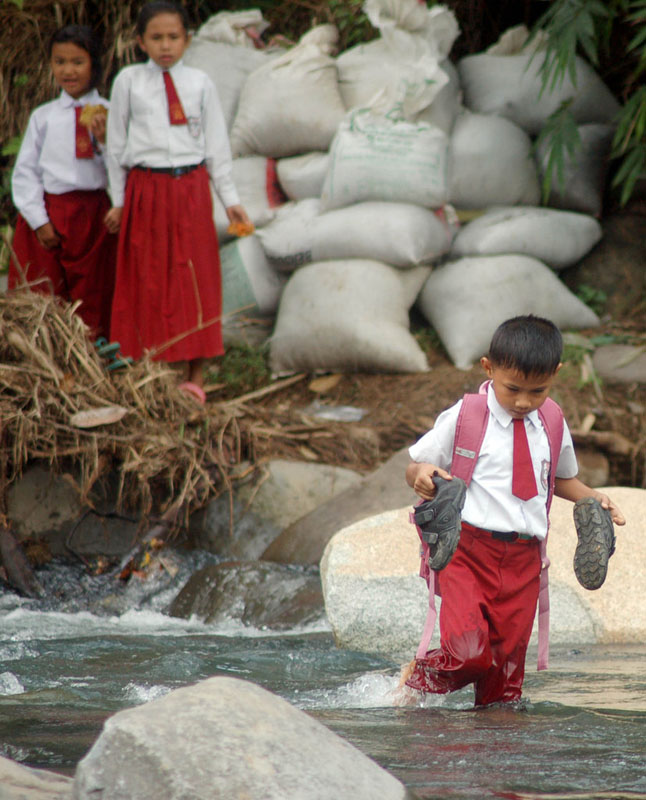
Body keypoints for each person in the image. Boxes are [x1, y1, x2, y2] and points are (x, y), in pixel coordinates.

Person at [404, 315, 625, 707]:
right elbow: (416, 465)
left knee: (503, 691)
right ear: (489, 368)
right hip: (466, 553)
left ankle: (497, 757)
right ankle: (413, 680)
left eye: (537, 391)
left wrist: (595, 498)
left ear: (555, 374)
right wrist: (422, 475)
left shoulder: (552, 421)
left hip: (524, 562)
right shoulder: (467, 416)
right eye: (513, 389)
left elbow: (560, 480)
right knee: (469, 656)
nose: (524, 401)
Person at [104, 0, 251, 404]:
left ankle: (195, 373)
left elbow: (216, 146)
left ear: (186, 40)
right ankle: (149, 369)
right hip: (145, 189)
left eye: (173, 37)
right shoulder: (128, 82)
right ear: (140, 41)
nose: (165, 45)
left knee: (193, 276)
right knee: (147, 276)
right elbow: (115, 146)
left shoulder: (200, 83)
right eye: (156, 37)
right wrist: (118, 200)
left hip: (190, 187)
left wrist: (231, 199)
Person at [9, 24, 117, 338]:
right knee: (43, 291)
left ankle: (94, 358)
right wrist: (38, 219)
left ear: (94, 65)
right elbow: (26, 172)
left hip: (94, 215)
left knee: (94, 289)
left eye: (77, 62)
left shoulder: (110, 113)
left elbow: (120, 169)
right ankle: (46, 360)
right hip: (49, 211)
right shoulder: (43, 117)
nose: (68, 70)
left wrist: (107, 140)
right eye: (60, 62)